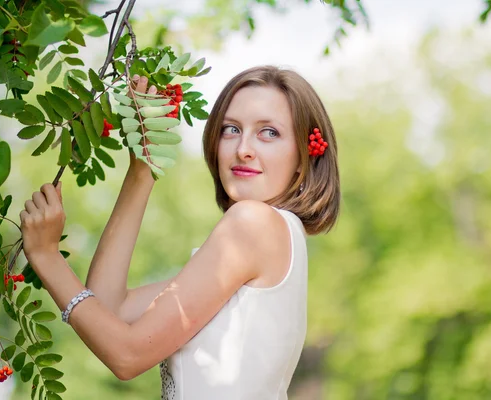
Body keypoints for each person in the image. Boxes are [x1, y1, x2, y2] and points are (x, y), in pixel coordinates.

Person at [19, 65, 340, 399]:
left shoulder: (253, 224)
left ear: (305, 155)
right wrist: (143, 169)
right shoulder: (275, 237)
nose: (243, 148)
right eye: (231, 129)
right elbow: (109, 308)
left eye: (269, 132)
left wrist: (46, 256)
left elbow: (127, 356)